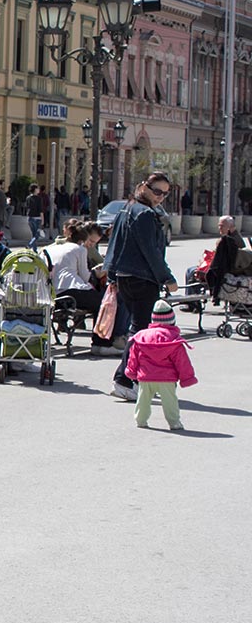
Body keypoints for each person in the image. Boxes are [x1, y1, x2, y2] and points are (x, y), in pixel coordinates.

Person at [103, 172, 177, 402]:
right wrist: (167, 278)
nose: (160, 198)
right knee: (141, 331)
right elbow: (150, 250)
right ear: (144, 187)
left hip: (126, 276)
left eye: (165, 194)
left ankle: (132, 379)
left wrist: (112, 274)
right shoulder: (144, 214)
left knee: (138, 328)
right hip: (142, 278)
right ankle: (124, 379)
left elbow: (114, 244)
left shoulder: (128, 208)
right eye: (157, 192)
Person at [43, 221, 116, 355]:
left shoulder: (49, 248)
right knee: (104, 304)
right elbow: (85, 276)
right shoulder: (79, 249)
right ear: (82, 240)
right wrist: (96, 273)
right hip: (73, 290)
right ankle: (100, 343)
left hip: (51, 292)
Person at [126, 300, 195, 431]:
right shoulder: (174, 339)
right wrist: (187, 377)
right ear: (172, 320)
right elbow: (182, 361)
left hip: (145, 376)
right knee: (170, 402)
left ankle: (141, 420)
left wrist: (131, 371)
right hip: (167, 378)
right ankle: (174, 422)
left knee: (143, 400)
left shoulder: (142, 336)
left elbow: (133, 356)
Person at [200, 215, 248, 293]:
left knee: (192, 272)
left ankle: (192, 302)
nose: (219, 228)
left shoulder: (230, 241)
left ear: (230, 227)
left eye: (222, 226)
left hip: (220, 270)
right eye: (219, 225)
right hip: (219, 268)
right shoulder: (229, 238)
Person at [25, 184, 44, 250]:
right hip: (37, 218)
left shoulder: (28, 198)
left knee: (33, 234)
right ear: (35, 189)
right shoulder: (39, 198)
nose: (39, 190)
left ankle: (34, 250)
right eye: (37, 188)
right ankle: (30, 245)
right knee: (37, 235)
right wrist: (42, 220)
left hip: (30, 217)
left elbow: (27, 208)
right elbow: (40, 210)